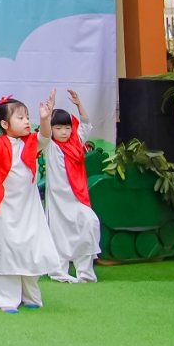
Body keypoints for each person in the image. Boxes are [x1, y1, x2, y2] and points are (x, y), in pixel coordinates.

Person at [0, 95, 62, 311]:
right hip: (4, 209)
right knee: (6, 251)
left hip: (29, 210)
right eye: (21, 118)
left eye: (28, 117)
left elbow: (45, 136)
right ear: (5, 124)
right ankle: (6, 299)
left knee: (29, 249)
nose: (27, 121)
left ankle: (31, 296)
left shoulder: (32, 142)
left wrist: (45, 119)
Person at [44, 89, 100, 283]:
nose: (63, 132)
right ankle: (59, 271)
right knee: (58, 236)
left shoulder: (76, 144)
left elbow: (85, 125)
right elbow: (43, 132)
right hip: (58, 204)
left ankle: (85, 273)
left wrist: (79, 104)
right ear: (52, 129)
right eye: (58, 128)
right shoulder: (49, 146)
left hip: (77, 199)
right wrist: (49, 110)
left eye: (67, 128)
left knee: (90, 224)